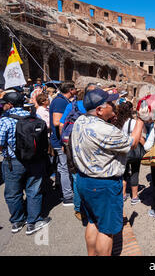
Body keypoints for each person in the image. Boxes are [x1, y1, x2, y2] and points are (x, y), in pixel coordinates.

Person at [71, 88, 146, 256]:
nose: (114, 106)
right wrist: (141, 120)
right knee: (107, 229)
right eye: (111, 103)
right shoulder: (104, 130)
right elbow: (132, 143)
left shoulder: (80, 121)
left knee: (92, 222)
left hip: (84, 180)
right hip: (104, 184)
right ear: (99, 110)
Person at [0, 91, 51, 235]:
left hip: (13, 162)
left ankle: (17, 221)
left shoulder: (4, 121)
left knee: (13, 193)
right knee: (33, 190)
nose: (3, 107)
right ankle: (33, 221)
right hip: (35, 160)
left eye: (4, 104)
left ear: (9, 105)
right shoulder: (34, 117)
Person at [49, 81, 77, 206]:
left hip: (62, 139)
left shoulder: (63, 100)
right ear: (71, 90)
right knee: (65, 167)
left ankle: (63, 190)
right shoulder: (60, 102)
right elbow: (56, 122)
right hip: (61, 140)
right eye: (74, 88)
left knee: (63, 166)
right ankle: (68, 196)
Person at [114, 101, 146, 205]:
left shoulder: (117, 122)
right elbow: (140, 137)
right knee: (135, 171)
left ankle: (123, 194)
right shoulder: (133, 122)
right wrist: (146, 147)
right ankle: (134, 197)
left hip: (123, 151)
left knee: (124, 172)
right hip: (134, 150)